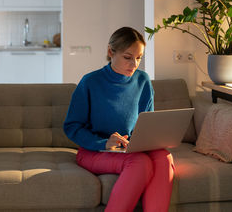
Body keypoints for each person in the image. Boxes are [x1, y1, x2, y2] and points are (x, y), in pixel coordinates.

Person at [63, 27, 174, 212]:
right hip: (94, 151)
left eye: (139, 58)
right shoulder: (90, 82)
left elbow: (148, 122)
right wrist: (104, 142)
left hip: (130, 148)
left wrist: (149, 140)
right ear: (110, 52)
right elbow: (72, 126)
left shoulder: (143, 81)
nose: (134, 64)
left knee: (164, 157)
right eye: (128, 57)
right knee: (140, 163)